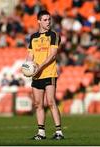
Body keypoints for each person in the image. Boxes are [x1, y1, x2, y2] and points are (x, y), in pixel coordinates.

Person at [25, 10, 64, 140]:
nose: (48, 22)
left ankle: (59, 132)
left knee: (51, 102)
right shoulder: (33, 37)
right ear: (39, 21)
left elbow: (52, 55)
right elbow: (30, 56)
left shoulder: (54, 35)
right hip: (36, 75)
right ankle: (41, 133)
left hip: (49, 73)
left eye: (49, 19)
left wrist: (39, 67)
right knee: (38, 104)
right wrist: (27, 68)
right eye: (45, 20)